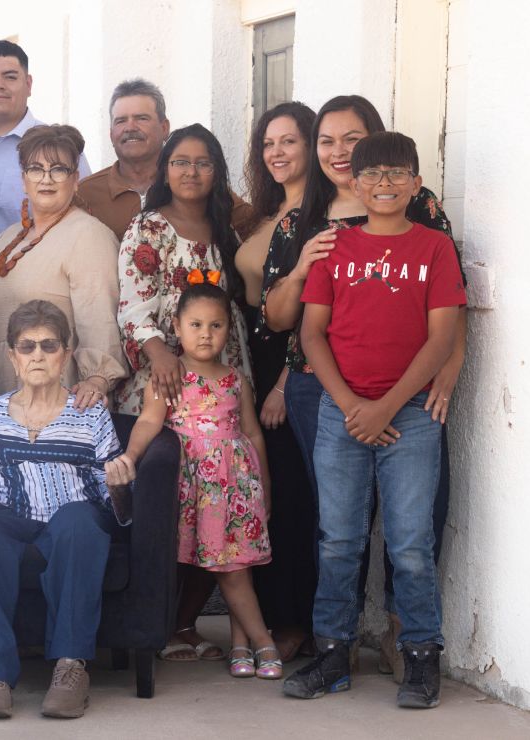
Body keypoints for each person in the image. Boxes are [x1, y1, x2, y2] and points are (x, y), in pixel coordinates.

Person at [257, 95, 463, 677]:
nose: (342, 154)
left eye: (355, 141)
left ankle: (413, 647)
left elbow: (447, 317)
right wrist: (350, 405)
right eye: (328, 140)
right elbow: (288, 322)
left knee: (411, 535)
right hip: (326, 396)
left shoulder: (427, 226)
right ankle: (332, 651)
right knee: (336, 533)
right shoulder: (311, 227)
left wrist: (420, 386)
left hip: (408, 400)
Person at [0, 300, 127, 720]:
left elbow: (110, 498)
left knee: (79, 521)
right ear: (11, 356)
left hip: (71, 518)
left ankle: (70, 667)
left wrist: (121, 487)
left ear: (66, 354)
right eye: (27, 347)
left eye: (49, 346)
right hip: (10, 519)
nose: (38, 356)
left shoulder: (90, 414)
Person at [115, 123, 251, 663]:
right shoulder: (146, 227)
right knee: (170, 504)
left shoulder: (225, 227)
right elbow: (132, 302)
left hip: (222, 385)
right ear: (164, 168)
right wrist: (160, 354)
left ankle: (185, 623)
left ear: (217, 172)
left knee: (218, 506)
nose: (191, 171)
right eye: (180, 162)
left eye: (203, 162)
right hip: (165, 386)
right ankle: (154, 622)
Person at [235, 101, 318, 662]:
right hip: (251, 360)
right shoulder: (260, 215)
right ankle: (259, 619)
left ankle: (295, 623)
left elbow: (314, 308)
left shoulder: (321, 216)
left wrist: (285, 383)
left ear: (311, 145)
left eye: (289, 141)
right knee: (258, 492)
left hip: (292, 364)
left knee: (290, 496)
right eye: (268, 143)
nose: (278, 153)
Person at [165, 280, 279, 679]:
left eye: (215, 326)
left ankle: (251, 643)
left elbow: (253, 434)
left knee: (234, 565)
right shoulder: (169, 377)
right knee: (213, 566)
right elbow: (149, 423)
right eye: (195, 325)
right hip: (192, 492)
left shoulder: (236, 380)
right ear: (176, 327)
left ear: (229, 329)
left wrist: (264, 485)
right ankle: (254, 640)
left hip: (234, 491)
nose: (205, 334)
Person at [0, 124, 126, 409]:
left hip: (64, 402)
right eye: (36, 169)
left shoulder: (88, 235)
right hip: (3, 403)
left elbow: (99, 319)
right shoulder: (8, 238)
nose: (46, 179)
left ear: (76, 179)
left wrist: (96, 380)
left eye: (58, 169)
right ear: (23, 178)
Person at [78, 79, 254, 242]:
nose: (130, 127)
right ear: (111, 134)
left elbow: (256, 226)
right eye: (121, 121)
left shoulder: (192, 182)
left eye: (141, 118)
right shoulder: (85, 193)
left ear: (164, 128)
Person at [0, 39, 91, 234]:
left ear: (29, 84)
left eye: (10, 77)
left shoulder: (61, 149)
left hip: (30, 262)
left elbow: (85, 215)